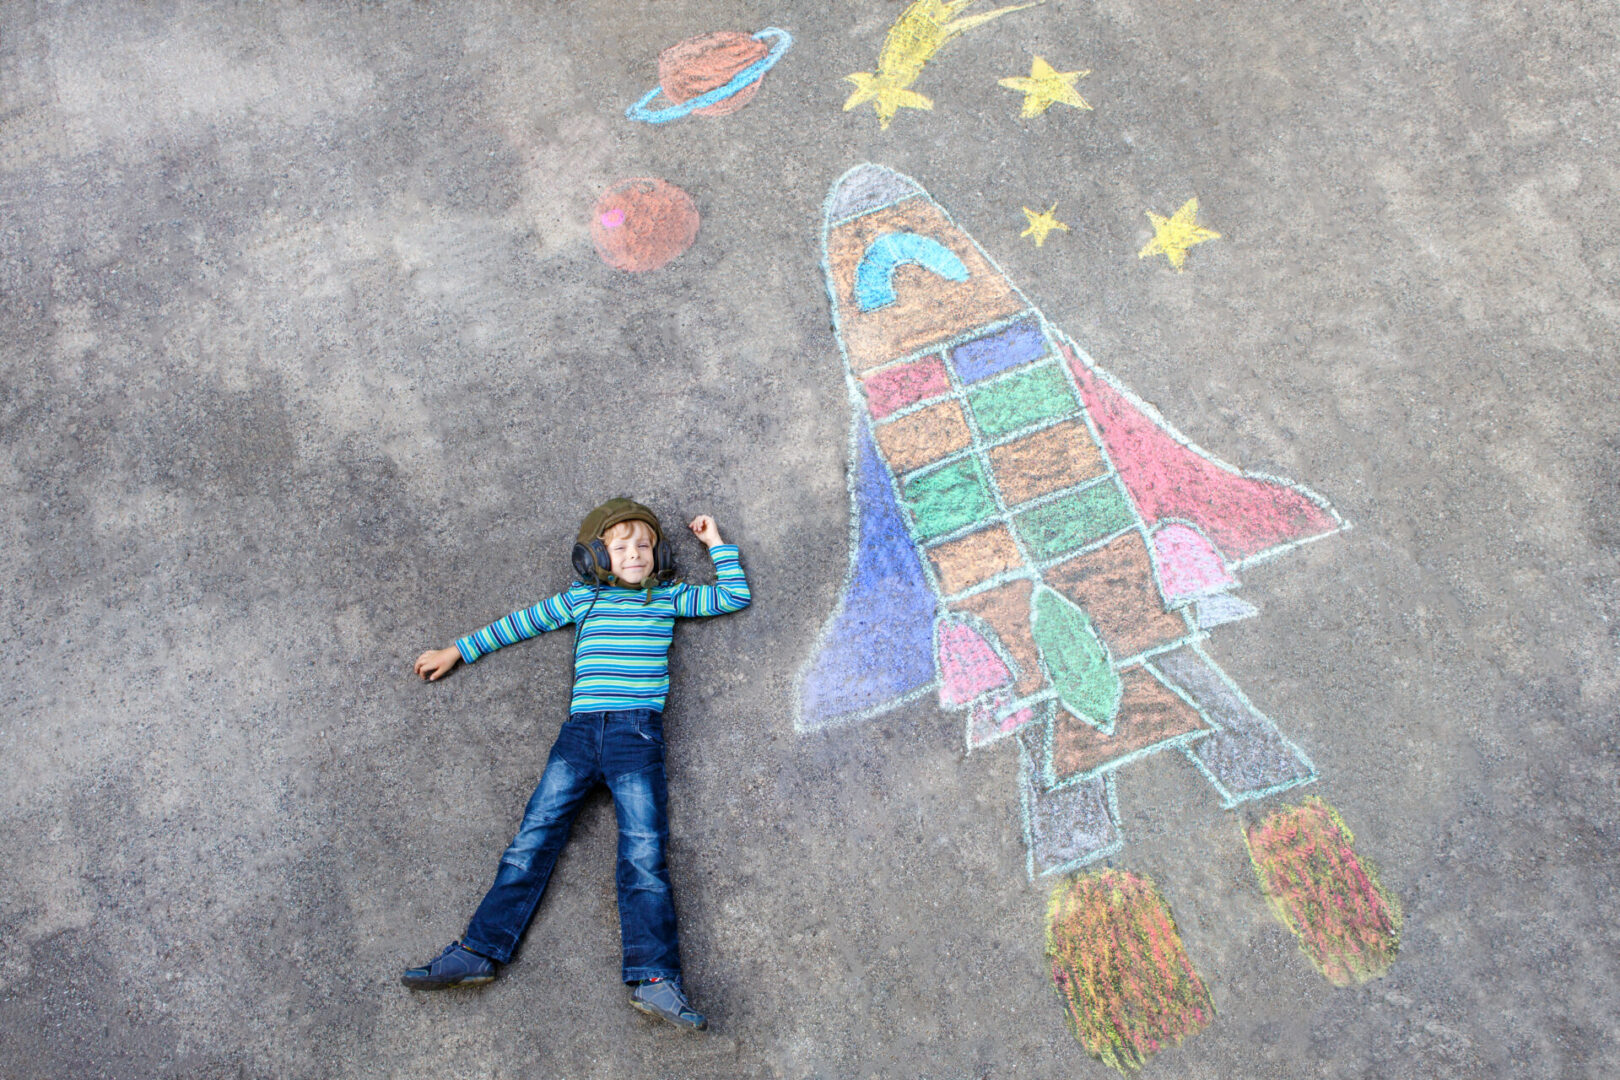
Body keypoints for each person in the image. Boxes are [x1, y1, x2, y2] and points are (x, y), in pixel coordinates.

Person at [401, 498, 750, 1032]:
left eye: (644, 545)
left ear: (659, 555)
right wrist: (457, 650)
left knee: (644, 855)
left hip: (637, 738)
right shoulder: (582, 599)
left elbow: (733, 593)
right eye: (620, 546)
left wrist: (715, 544)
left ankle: (654, 978)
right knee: (531, 839)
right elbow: (519, 623)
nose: (634, 554)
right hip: (580, 736)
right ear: (596, 556)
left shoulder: (670, 596)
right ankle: (479, 950)